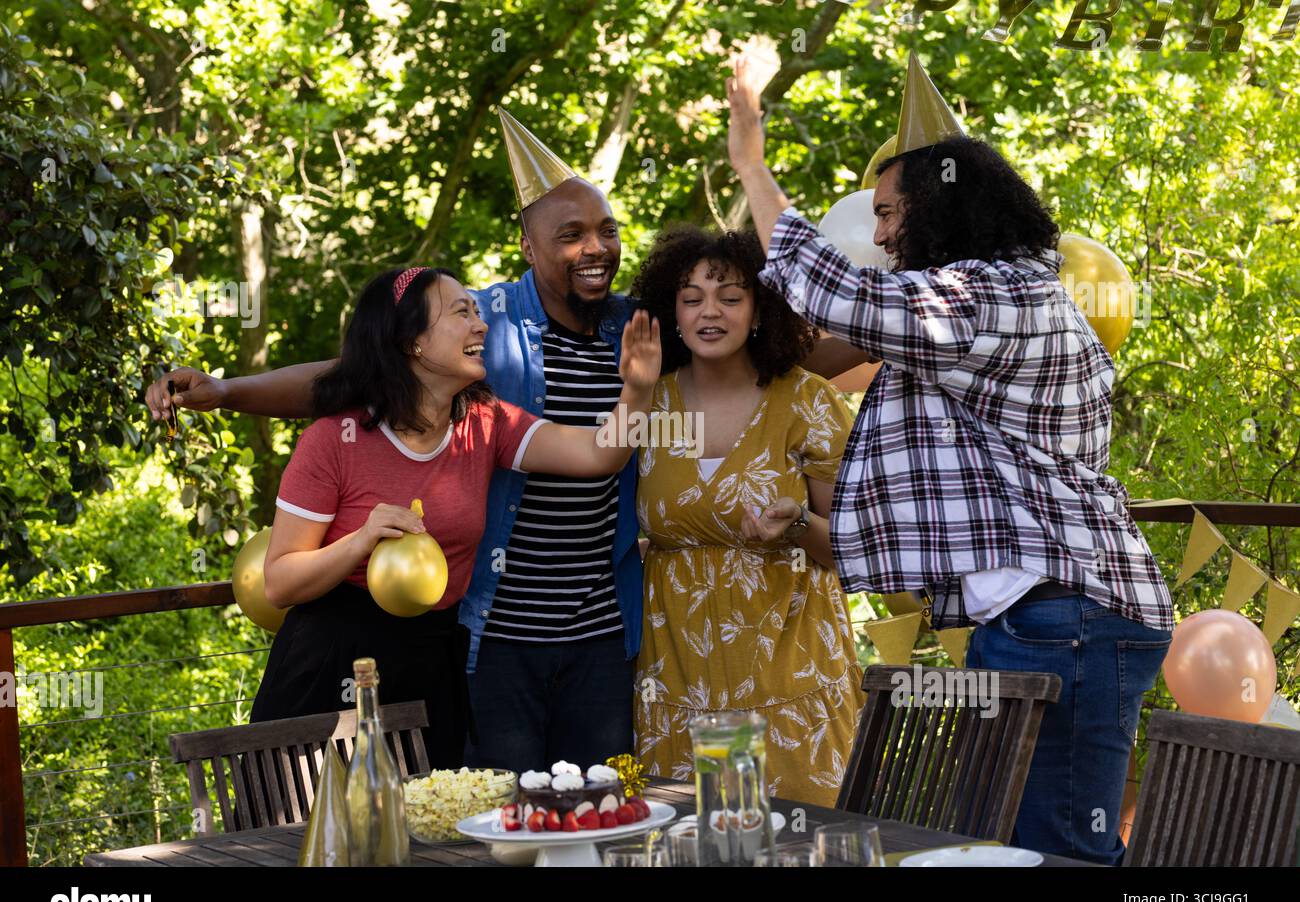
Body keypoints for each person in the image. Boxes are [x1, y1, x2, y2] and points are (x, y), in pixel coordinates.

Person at [144, 110, 876, 774]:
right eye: (570, 236)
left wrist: (907, 335)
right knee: (503, 820)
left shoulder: (649, 330)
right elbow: (353, 374)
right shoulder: (482, 329)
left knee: (603, 810)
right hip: (498, 635)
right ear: (527, 245)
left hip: (604, 631)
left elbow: (778, 353)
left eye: (607, 230)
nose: (595, 249)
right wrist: (230, 391)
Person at [725, 52, 1174, 864]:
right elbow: (838, 342)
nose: (881, 231)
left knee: (1056, 853)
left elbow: (834, 291)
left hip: (1062, 616)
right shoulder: (1002, 302)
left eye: (891, 211)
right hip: (1055, 614)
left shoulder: (984, 299)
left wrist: (752, 164)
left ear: (939, 207)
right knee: (1006, 849)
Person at [251, 264, 659, 767]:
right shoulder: (334, 441)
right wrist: (360, 541)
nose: (481, 324)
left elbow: (600, 454)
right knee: (311, 837)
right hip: (332, 659)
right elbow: (279, 583)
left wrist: (637, 392)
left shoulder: (486, 424)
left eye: (477, 311)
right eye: (461, 312)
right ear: (411, 342)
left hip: (432, 662)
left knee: (433, 836)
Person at [630, 226, 866, 805]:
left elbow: (852, 549)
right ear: (673, 314)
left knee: (803, 844)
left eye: (730, 297)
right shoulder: (647, 402)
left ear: (760, 309)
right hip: (677, 681)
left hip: (792, 678)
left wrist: (798, 525)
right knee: (689, 842)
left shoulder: (808, 400)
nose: (710, 312)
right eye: (692, 298)